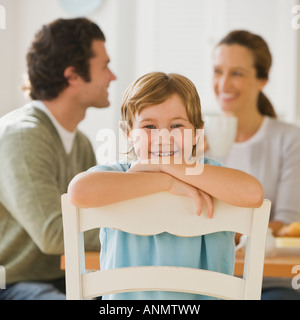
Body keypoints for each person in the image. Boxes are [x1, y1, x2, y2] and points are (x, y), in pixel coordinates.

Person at [68, 72, 264, 300]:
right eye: (149, 126)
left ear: (196, 133)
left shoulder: (207, 173)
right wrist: (166, 182)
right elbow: (78, 191)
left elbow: (253, 193)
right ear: (128, 134)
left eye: (176, 125)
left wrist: (164, 164)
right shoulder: (120, 175)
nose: (163, 137)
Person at [0, 17, 116, 300]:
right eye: (104, 66)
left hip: (64, 278)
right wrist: (135, 228)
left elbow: (95, 214)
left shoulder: (81, 142)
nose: (112, 77)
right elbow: (52, 234)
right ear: (73, 76)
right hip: (14, 284)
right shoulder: (22, 136)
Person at [212, 30, 300, 299]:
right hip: (209, 277)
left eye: (236, 73)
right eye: (218, 71)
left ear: (262, 79)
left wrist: (222, 233)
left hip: (269, 282)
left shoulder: (288, 139)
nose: (224, 84)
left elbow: (288, 223)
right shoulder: (193, 140)